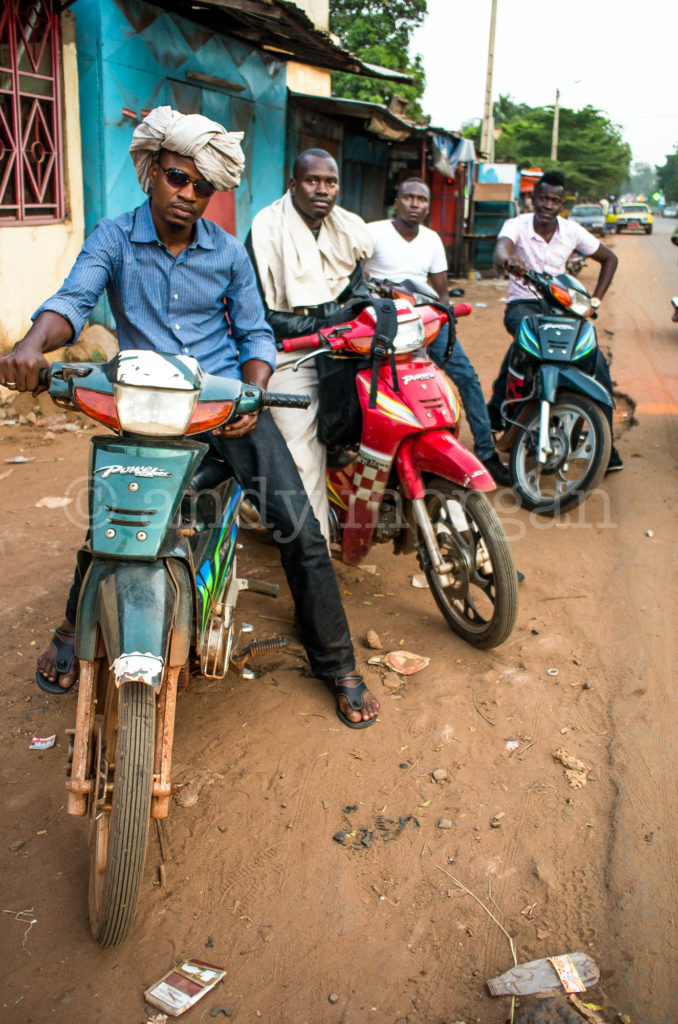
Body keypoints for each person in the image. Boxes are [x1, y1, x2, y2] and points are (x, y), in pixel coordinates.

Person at [0, 108, 379, 728]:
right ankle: (74, 628)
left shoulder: (228, 253)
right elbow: (73, 299)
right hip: (145, 406)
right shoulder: (114, 237)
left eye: (203, 187)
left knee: (301, 532)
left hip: (224, 406)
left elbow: (256, 335)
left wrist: (252, 395)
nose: (189, 195)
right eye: (178, 178)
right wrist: (31, 347)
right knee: (112, 521)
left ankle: (337, 663)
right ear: (152, 172)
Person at [247, 149, 374, 539]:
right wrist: (328, 320)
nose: (323, 189)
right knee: (301, 457)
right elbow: (262, 316)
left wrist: (348, 317)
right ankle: (311, 548)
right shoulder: (267, 229)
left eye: (330, 182)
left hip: (344, 349)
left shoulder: (346, 230)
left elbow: (359, 295)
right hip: (291, 354)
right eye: (312, 181)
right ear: (293, 185)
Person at [363, 177, 511, 486]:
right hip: (384, 322)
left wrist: (443, 324)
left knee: (466, 377)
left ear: (428, 206)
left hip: (425, 319)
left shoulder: (431, 240)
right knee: (382, 387)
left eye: (422, 199)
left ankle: (486, 452)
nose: (415, 204)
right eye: (408, 197)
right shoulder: (372, 232)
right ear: (397, 200)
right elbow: (356, 279)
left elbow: (441, 295)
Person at [487, 170, 622, 473]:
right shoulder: (516, 225)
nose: (548, 204)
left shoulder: (572, 231)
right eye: (543, 198)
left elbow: (609, 259)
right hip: (523, 303)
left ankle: (608, 446)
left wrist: (595, 301)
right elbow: (500, 250)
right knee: (527, 337)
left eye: (555, 200)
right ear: (533, 198)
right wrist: (508, 261)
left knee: (596, 361)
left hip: (562, 307)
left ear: (562, 203)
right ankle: (501, 411)